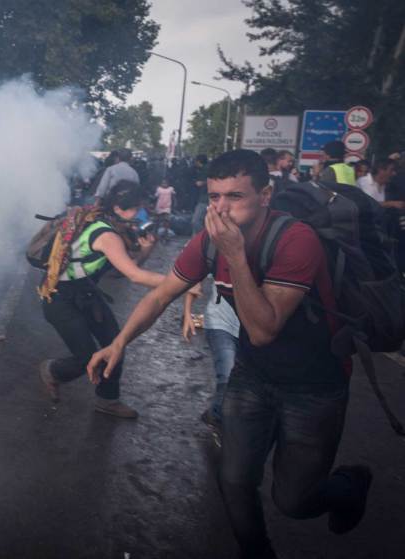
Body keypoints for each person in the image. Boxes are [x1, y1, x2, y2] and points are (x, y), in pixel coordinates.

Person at [88, 150, 373, 558]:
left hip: (314, 387)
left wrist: (236, 254)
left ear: (265, 195)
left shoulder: (295, 240)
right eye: (216, 196)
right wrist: (119, 342)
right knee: (234, 480)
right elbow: (162, 295)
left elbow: (262, 330)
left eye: (235, 196)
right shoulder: (208, 241)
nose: (221, 208)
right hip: (252, 377)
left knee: (293, 501)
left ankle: (350, 485)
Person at [38, 182, 167, 418]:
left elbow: (120, 270)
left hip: (85, 294)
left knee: (114, 343)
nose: (141, 214)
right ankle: (53, 371)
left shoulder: (110, 225)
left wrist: (146, 250)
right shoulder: (106, 234)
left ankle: (107, 399)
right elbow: (134, 275)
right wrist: (182, 282)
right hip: (59, 299)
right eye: (136, 209)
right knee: (87, 357)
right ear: (118, 208)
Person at [182, 281, 239, 429]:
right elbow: (195, 280)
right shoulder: (222, 257)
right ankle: (217, 415)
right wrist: (187, 312)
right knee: (228, 373)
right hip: (219, 325)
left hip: (252, 329)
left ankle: (217, 412)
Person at [191, 154, 210, 233]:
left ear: (198, 161)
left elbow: (201, 183)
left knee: (196, 221)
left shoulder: (205, 170)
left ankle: (202, 237)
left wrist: (201, 183)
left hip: (205, 198)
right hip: (206, 197)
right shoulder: (208, 168)